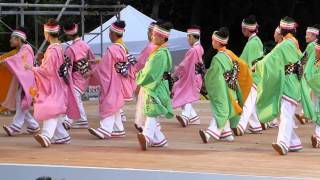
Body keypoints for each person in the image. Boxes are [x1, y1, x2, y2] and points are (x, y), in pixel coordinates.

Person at [255, 16, 313, 155]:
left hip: (289, 81)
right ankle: (294, 142)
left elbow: (271, 58)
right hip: (291, 80)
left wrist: (257, 66)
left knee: (286, 113)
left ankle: (283, 143)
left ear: (281, 30)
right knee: (285, 113)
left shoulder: (286, 44)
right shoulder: (293, 42)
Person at [24, 18, 80, 147]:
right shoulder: (58, 48)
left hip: (52, 85)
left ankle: (47, 135)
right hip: (57, 83)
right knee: (55, 110)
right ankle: (62, 136)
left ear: (46, 34)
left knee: (51, 108)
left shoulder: (53, 50)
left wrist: (31, 68)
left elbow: (47, 70)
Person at [199, 27, 252, 143]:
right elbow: (240, 66)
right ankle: (227, 133)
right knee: (225, 110)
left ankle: (210, 134)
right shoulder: (229, 54)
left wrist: (205, 74)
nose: (212, 42)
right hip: (231, 88)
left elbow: (214, 77)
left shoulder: (217, 58)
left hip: (223, 89)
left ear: (217, 42)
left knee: (220, 110)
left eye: (213, 40)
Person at [88, 20, 134, 139]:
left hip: (112, 80)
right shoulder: (124, 47)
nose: (109, 35)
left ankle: (105, 129)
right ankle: (118, 129)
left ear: (113, 34)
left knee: (108, 103)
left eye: (109, 32)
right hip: (120, 80)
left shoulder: (113, 49)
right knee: (115, 104)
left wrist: (91, 72)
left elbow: (105, 68)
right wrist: (101, 60)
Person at [136, 22, 174, 150]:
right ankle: (159, 140)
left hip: (155, 87)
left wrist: (139, 76)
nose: (152, 37)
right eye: (153, 35)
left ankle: (147, 137)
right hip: (158, 86)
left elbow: (150, 73)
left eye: (155, 35)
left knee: (152, 112)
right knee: (152, 112)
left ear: (163, 37)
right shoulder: (162, 52)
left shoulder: (160, 54)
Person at [2, 27, 40, 136]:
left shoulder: (26, 49)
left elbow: (18, 60)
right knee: (22, 103)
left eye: (12, 38)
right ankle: (34, 126)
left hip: (27, 82)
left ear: (18, 39)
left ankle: (15, 126)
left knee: (21, 102)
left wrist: (4, 61)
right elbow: (17, 59)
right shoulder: (24, 49)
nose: (10, 40)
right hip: (24, 81)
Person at [61, 22, 96, 130]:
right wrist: (90, 72)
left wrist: (64, 80)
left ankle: (68, 119)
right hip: (85, 76)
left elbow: (68, 68)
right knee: (76, 98)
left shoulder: (70, 50)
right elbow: (93, 61)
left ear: (67, 34)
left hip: (75, 77)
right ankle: (82, 120)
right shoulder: (85, 45)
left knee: (74, 98)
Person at [233, 15, 263, 136]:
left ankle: (241, 125)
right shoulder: (256, 41)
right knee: (250, 102)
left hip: (251, 78)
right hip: (254, 76)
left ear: (245, 29)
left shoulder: (252, 43)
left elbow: (251, 64)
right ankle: (255, 125)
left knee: (247, 102)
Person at [172, 25, 204, 127]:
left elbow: (184, 64)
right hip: (195, 77)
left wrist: (176, 72)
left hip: (191, 78)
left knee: (187, 96)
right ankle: (194, 118)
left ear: (192, 37)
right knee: (183, 94)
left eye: (188, 37)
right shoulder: (199, 48)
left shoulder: (193, 50)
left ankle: (185, 117)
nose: (187, 39)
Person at [134, 22, 158, 132]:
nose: (148, 33)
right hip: (152, 80)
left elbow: (140, 64)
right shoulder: (158, 47)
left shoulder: (151, 47)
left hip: (146, 80)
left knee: (146, 104)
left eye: (150, 31)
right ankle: (148, 126)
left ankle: (148, 127)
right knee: (148, 104)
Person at [295, 24, 320, 124]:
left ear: (314, 36)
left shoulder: (311, 46)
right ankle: (305, 115)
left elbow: (303, 59)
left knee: (306, 94)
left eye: (307, 34)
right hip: (314, 73)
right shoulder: (316, 46)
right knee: (311, 95)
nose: (305, 36)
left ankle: (305, 115)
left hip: (308, 74)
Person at [308, 38, 320, 148]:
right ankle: (318, 135)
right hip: (316, 85)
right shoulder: (315, 56)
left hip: (317, 84)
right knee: (317, 111)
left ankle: (318, 136)